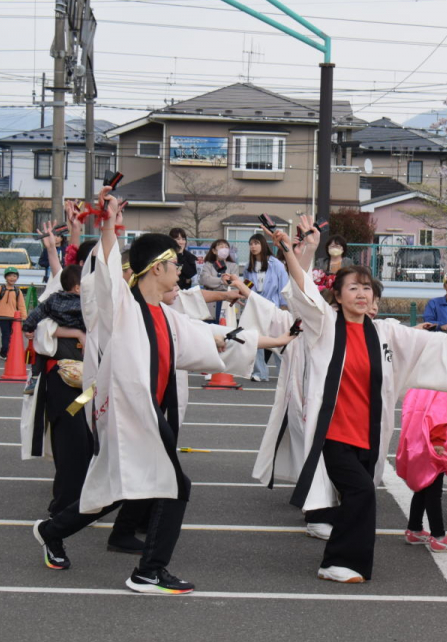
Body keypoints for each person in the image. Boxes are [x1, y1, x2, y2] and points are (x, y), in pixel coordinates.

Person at [32, 194, 290, 594]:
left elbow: (215, 337)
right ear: (156, 269)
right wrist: (108, 226)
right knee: (174, 485)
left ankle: (52, 530)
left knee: (123, 488)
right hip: (126, 414)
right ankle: (148, 571)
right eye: (173, 264)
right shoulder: (121, 306)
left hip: (147, 415)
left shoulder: (167, 315)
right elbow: (102, 276)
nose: (179, 269)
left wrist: (278, 339)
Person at [273, 216, 447, 584]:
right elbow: (303, 292)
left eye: (367, 289)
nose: (362, 295)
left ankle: (345, 561)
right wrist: (296, 250)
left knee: (359, 498)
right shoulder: (323, 327)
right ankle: (338, 562)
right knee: (362, 494)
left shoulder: (384, 332)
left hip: (369, 435)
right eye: (353, 289)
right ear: (337, 295)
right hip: (334, 435)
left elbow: (429, 347)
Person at [397, 386, 447, 553]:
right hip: (433, 444)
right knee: (434, 490)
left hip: (416, 441)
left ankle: (414, 528)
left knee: (423, 486)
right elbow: (439, 415)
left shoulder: (421, 381)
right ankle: (438, 536)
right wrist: (438, 442)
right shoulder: (444, 386)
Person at [243, 232, 289, 382]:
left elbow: (284, 285)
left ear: (263, 245)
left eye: (256, 243)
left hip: (272, 306)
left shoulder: (275, 264)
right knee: (256, 340)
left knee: (277, 340)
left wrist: (284, 305)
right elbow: (247, 285)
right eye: (251, 244)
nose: (253, 246)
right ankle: (260, 372)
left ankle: (285, 372)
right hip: (255, 307)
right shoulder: (248, 266)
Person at [0, 267, 27, 359]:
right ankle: (5, 352)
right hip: (2, 315)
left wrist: (24, 317)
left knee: (12, 335)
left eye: (14, 276)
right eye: (10, 276)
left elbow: (21, 306)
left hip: (14, 317)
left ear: (17, 278)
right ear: (5, 277)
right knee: (6, 334)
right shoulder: (1, 288)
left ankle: (6, 352)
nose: (12, 278)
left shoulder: (17, 291)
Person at [199, 238, 238, 322]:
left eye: (226, 247)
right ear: (214, 251)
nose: (224, 249)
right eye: (221, 247)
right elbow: (205, 280)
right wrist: (221, 281)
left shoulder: (233, 266)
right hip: (210, 303)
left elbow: (234, 284)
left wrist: (214, 284)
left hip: (226, 302)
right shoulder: (208, 265)